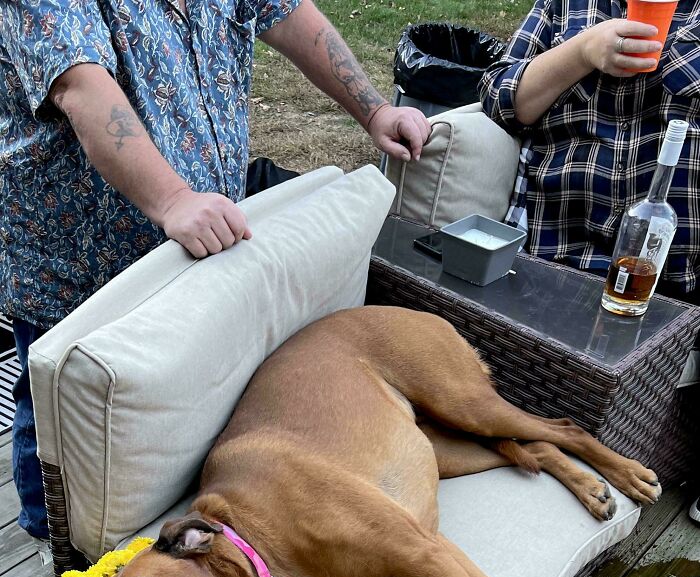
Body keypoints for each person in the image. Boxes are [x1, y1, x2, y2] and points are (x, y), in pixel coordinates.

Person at [0, 0, 431, 544]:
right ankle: (56, 551)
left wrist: (374, 110)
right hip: (77, 263)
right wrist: (173, 198)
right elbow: (79, 87)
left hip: (187, 250)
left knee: (162, 411)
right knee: (58, 414)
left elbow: (288, 14)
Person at [479, 0, 700, 522]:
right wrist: (583, 50)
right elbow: (499, 98)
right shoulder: (566, 5)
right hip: (566, 251)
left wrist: (670, 57)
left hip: (683, 259)